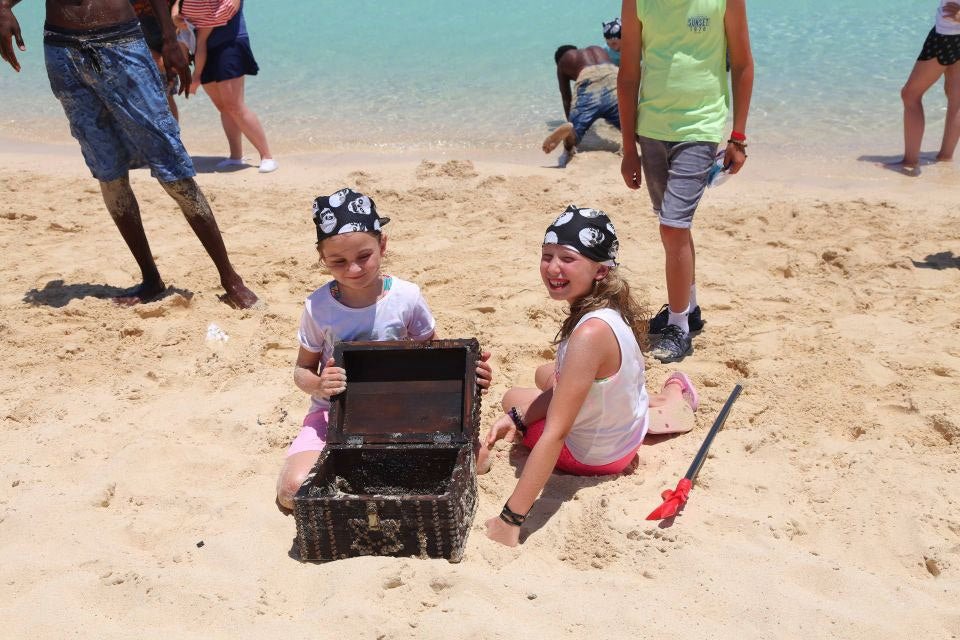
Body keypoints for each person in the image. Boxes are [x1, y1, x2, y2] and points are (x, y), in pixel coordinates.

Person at [0, 0, 259, 308]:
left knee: (172, 166)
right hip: (62, 49)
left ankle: (230, 278)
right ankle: (150, 279)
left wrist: (169, 38)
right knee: (108, 171)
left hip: (122, 42)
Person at [481, 205, 700, 548]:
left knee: (514, 398)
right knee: (544, 375)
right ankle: (666, 399)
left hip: (594, 458)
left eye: (567, 258)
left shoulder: (589, 335)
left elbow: (557, 433)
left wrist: (510, 521)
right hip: (623, 437)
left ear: (600, 269)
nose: (553, 267)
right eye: (547, 255)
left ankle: (665, 399)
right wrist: (516, 418)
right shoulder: (608, 309)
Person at [275, 188, 493, 511]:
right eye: (338, 261)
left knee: (483, 461)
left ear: (383, 245)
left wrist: (473, 374)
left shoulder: (407, 297)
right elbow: (301, 371)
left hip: (401, 411)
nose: (354, 269)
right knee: (293, 491)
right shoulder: (318, 307)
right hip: (334, 413)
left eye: (364, 256)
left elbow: (437, 360)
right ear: (323, 260)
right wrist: (320, 384)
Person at [617, 0, 754, 363]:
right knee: (674, 224)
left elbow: (741, 64)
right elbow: (628, 74)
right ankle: (688, 308)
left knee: (673, 227)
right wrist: (628, 147)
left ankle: (678, 326)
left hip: (701, 127)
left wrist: (737, 137)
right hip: (651, 129)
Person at [179, 0, 277, 173]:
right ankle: (235, 156)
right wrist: (176, 17)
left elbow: (227, 10)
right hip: (204, 48)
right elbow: (177, 8)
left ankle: (267, 156)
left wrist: (195, 20)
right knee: (223, 107)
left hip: (230, 42)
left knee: (234, 105)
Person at [892, 1, 960, 173]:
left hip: (948, 34)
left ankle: (910, 163)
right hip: (952, 31)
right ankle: (945, 159)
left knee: (910, 95)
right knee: (956, 96)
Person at [542, 45, 621, 167]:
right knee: (634, 129)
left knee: (573, 138)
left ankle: (568, 133)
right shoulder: (598, 49)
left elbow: (566, 97)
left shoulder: (564, 60)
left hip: (588, 81)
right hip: (614, 77)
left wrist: (572, 120)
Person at [130, 0, 180, 119]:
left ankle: (173, 136)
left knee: (166, 94)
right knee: (144, 96)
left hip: (162, 34)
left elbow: (178, 12)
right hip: (134, 34)